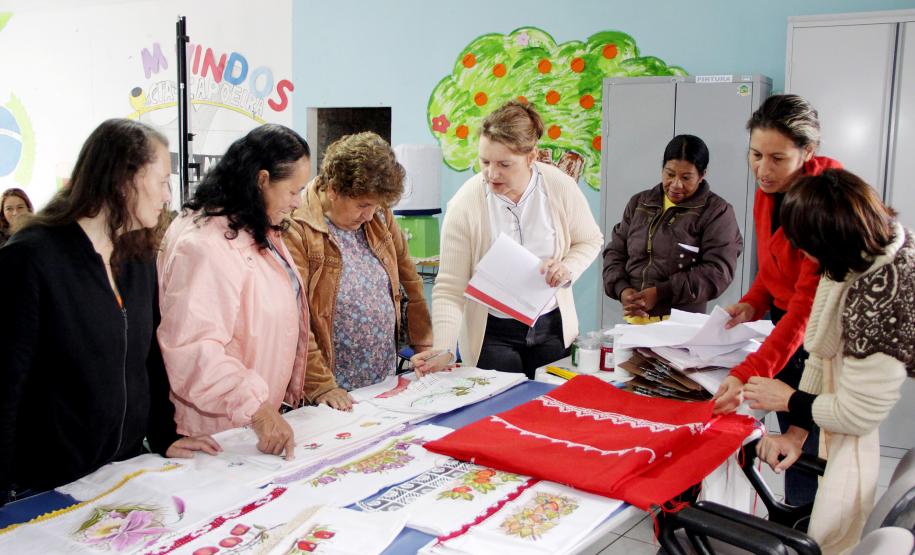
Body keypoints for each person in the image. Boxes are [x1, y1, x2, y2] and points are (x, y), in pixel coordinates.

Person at [0, 119, 219, 505]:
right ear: (123, 180)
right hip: (49, 483)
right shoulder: (32, 257)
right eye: (161, 182)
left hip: (123, 470)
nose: (168, 196)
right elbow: (6, 386)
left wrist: (165, 434)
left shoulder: (138, 255)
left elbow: (147, 357)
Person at [743, 169, 914, 554]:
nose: (803, 256)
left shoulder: (883, 295)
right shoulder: (855, 255)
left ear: (829, 241)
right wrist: (796, 432)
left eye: (806, 247)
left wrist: (786, 400)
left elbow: (858, 415)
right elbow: (822, 352)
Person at [712, 94, 842, 506]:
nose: (762, 170)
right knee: (787, 431)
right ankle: (791, 517)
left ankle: (807, 528)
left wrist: (749, 370)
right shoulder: (771, 191)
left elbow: (806, 309)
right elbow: (773, 268)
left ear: (808, 152)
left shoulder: (823, 206)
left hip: (820, 335)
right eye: (755, 155)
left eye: (777, 159)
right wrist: (752, 302)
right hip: (788, 327)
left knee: (805, 442)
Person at [414, 100, 603, 379]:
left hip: (552, 328)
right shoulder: (465, 204)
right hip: (491, 334)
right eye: (485, 162)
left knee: (549, 409)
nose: (492, 173)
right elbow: (449, 287)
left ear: (531, 156)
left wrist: (567, 268)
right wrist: (444, 348)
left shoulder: (559, 186)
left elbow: (590, 240)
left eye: (504, 164)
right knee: (498, 413)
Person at [157, 124, 311, 460]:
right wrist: (255, 406)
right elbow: (194, 347)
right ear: (262, 180)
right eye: (293, 191)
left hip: (247, 423)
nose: (298, 203)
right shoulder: (206, 243)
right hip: (217, 432)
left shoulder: (254, 226)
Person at [284, 132, 432, 410]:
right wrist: (321, 386)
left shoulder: (379, 216)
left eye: (376, 206)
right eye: (363, 205)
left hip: (382, 380)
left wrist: (424, 346)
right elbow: (295, 319)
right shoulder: (298, 227)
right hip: (330, 389)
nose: (369, 214)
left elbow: (411, 280)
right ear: (334, 189)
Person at [602, 134, 742, 322]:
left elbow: (717, 271)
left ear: (702, 175)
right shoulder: (640, 203)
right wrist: (622, 290)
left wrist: (661, 293)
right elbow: (615, 253)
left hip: (681, 325)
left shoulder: (717, 212)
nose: (676, 185)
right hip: (634, 323)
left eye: (686, 177)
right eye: (669, 174)